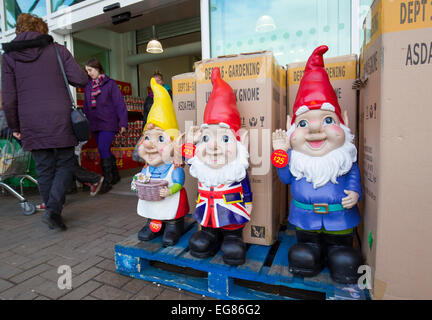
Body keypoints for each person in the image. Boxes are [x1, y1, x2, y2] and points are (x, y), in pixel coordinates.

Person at [272, 46, 363, 284]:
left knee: (342, 255)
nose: (314, 129)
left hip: (339, 218)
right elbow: (285, 178)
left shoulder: (343, 158)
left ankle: (337, 252)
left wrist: (354, 192)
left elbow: (353, 174)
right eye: (304, 123)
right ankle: (310, 250)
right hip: (306, 218)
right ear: (292, 127)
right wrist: (281, 154)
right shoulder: (297, 159)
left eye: (328, 120)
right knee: (304, 251)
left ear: (343, 125)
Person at [1, 13, 88, 231]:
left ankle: (53, 212)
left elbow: (8, 97)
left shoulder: (8, 57)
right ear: (42, 29)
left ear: (19, 31)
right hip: (59, 118)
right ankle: (53, 211)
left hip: (30, 121)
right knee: (66, 163)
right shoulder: (57, 50)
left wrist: (15, 127)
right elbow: (81, 79)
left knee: (44, 168)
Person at [185, 68, 253, 266]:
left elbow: (245, 188)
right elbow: (188, 158)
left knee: (232, 241)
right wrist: (190, 141)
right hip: (207, 211)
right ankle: (209, 235)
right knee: (201, 240)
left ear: (240, 143)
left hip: (231, 209)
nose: (213, 146)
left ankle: (232, 238)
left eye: (224, 138)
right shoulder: (200, 165)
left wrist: (248, 203)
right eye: (206, 138)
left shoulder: (237, 169)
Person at [131, 78, 189, 247]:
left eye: (161, 139)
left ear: (174, 144)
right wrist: (136, 182)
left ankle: (173, 227)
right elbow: (140, 179)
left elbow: (178, 183)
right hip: (152, 201)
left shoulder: (174, 168)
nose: (150, 145)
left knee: (171, 214)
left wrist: (170, 190)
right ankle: (153, 225)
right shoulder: (147, 169)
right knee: (153, 211)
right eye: (147, 138)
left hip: (170, 201)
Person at [83, 58, 128, 194]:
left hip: (108, 123)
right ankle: (115, 175)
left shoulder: (110, 84)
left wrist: (123, 123)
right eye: (87, 71)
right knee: (104, 149)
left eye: (90, 70)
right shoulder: (88, 86)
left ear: (98, 68)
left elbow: (120, 104)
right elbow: (86, 106)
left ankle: (107, 181)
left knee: (103, 148)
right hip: (95, 124)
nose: (89, 73)